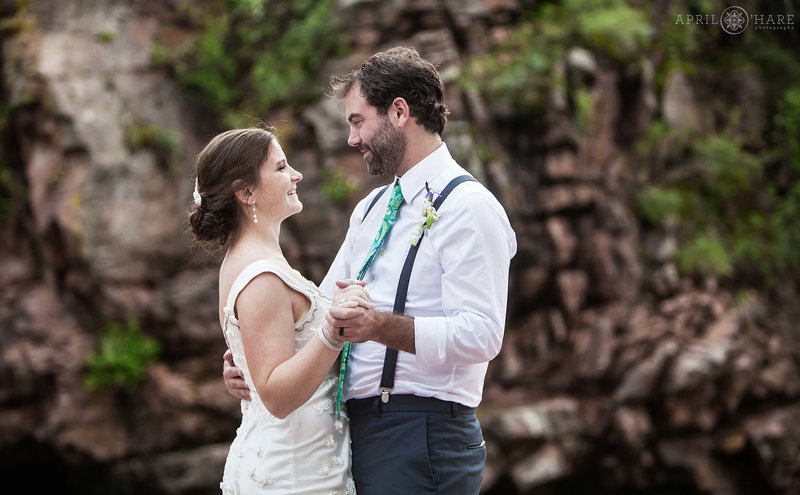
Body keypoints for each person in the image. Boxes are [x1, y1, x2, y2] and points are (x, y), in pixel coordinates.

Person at [224, 47, 517, 494]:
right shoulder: (370, 209)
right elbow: (322, 312)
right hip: (354, 434)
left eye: (358, 121)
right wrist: (257, 357)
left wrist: (378, 326)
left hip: (424, 431)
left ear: (399, 112)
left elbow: (482, 335)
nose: (352, 139)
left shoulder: (470, 208)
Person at [189, 127, 365, 494]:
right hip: (293, 474)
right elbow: (277, 395)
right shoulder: (260, 275)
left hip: (295, 461)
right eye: (282, 167)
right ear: (246, 191)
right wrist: (333, 330)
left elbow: (265, 364)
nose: (296, 174)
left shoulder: (254, 260)